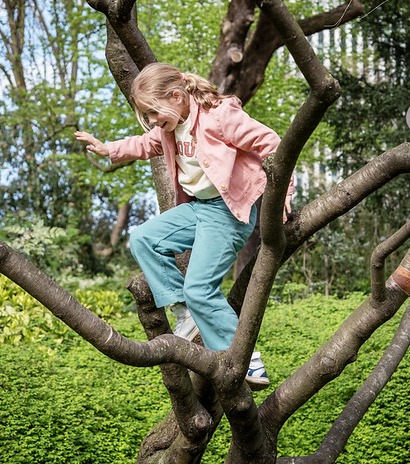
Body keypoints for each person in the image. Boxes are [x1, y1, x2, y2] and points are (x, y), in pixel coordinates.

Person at [75, 62, 292, 390]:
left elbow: (272, 143)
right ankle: (186, 313)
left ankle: (245, 361)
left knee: (200, 288)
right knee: (143, 239)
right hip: (199, 209)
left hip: (228, 213)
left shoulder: (219, 117)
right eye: (147, 116)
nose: (152, 122)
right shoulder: (167, 126)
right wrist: (110, 150)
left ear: (177, 96)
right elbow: (145, 144)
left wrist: (283, 194)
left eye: (153, 113)